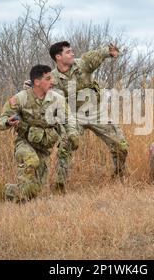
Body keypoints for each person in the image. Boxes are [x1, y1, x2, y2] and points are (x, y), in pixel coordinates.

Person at [47, 41, 129, 192]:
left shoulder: (82, 65)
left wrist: (107, 51)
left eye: (72, 51)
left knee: (121, 145)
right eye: (68, 52)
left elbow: (93, 56)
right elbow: (41, 90)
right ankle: (59, 186)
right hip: (74, 116)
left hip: (96, 112)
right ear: (58, 57)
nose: (72, 53)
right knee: (65, 146)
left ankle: (119, 176)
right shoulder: (53, 78)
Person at [0, 64, 78, 202]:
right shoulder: (21, 98)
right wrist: (8, 122)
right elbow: (2, 120)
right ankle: (20, 199)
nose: (52, 81)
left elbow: (68, 119)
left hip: (43, 147)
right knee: (31, 161)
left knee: (34, 190)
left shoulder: (57, 99)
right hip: (24, 143)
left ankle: (4, 191)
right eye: (48, 78)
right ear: (37, 82)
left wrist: (73, 134)